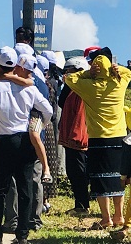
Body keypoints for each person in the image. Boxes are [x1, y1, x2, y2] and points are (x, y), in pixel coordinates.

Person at [0, 46, 53, 244]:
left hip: (4, 143)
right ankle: (22, 235)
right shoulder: (29, 88)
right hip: (26, 142)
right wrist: (37, 126)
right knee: (25, 189)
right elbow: (48, 110)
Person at [64, 47, 131, 230]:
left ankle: (106, 218)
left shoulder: (88, 87)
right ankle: (118, 216)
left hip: (98, 138)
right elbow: (128, 72)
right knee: (119, 177)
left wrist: (88, 73)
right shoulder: (119, 83)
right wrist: (116, 70)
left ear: (95, 68)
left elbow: (69, 78)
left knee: (100, 178)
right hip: (120, 136)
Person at [57, 57, 90, 215]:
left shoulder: (81, 87)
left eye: (68, 71)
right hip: (73, 134)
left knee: (78, 171)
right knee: (74, 171)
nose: (66, 75)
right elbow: (62, 102)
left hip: (78, 135)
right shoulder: (72, 87)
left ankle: (82, 205)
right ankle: (81, 203)